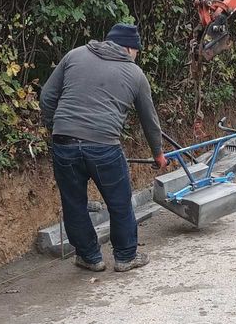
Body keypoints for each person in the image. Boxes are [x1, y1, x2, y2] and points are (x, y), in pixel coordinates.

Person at [40, 24, 168, 273]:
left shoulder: (74, 55)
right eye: (137, 51)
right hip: (104, 147)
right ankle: (125, 257)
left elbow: (47, 96)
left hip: (63, 143)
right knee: (119, 202)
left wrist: (56, 126)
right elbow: (149, 120)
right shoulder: (135, 74)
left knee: (74, 203)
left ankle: (90, 257)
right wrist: (158, 154)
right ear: (130, 48)